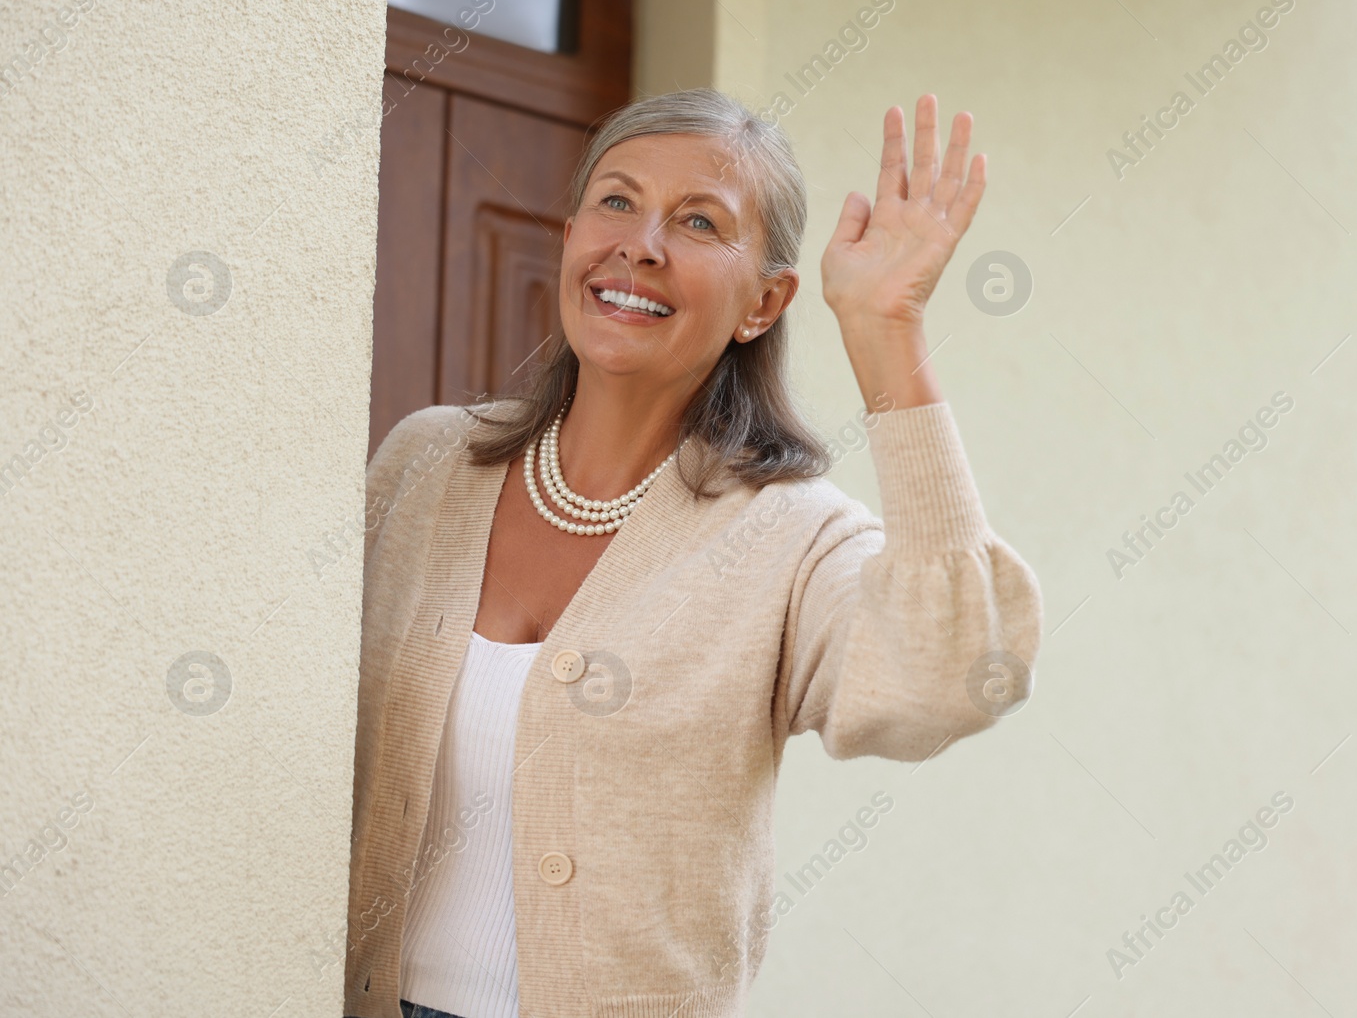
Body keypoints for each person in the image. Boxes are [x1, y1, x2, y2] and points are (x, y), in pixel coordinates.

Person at [343, 87, 1042, 1018]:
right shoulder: (424, 464)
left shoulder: (794, 536)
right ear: (571, 235)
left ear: (764, 302)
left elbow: (953, 678)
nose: (641, 243)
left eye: (699, 221)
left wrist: (887, 333)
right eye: (617, 201)